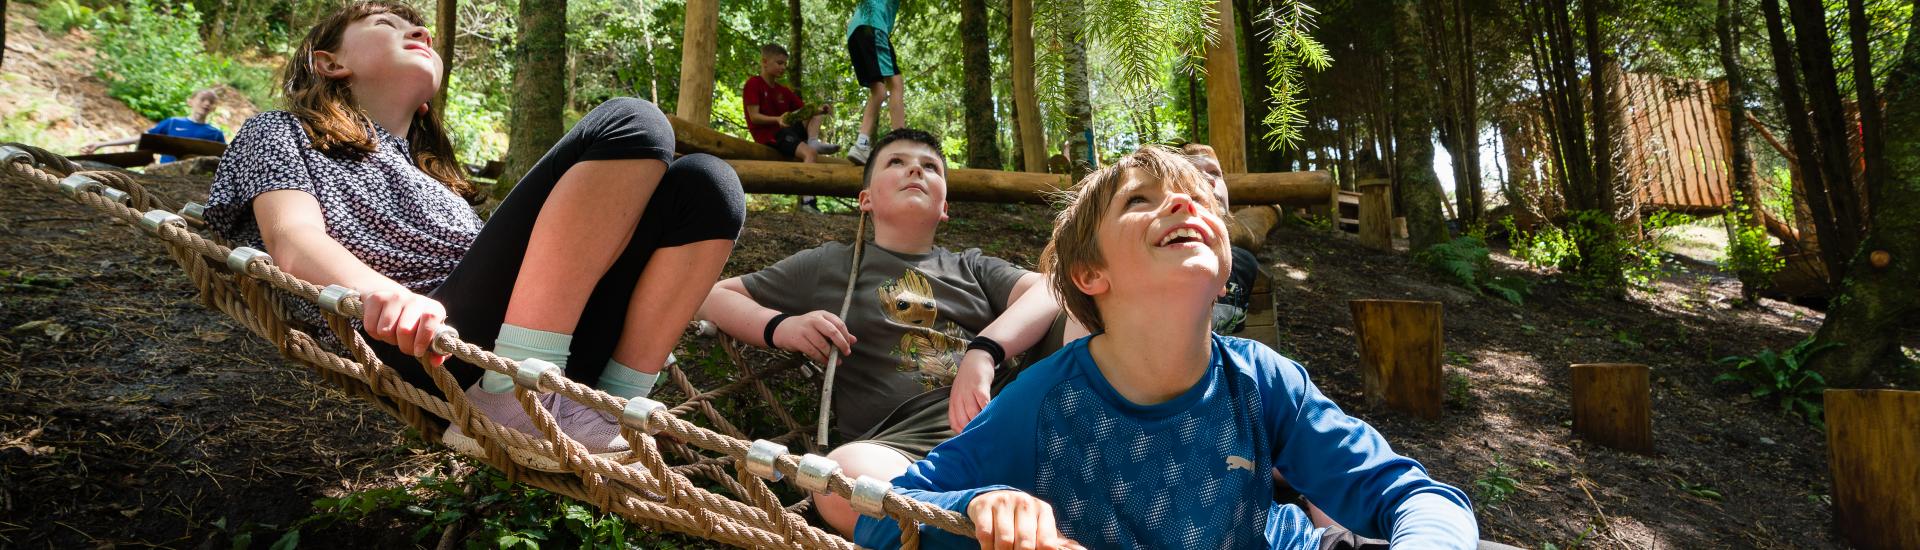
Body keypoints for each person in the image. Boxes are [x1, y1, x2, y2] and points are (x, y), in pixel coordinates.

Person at [855, 146, 1491, 550]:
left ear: (1221, 275)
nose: (1184, 201)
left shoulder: (1264, 382)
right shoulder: (1042, 404)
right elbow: (887, 516)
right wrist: (981, 507)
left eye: (1196, 196)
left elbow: (1411, 496)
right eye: (1140, 200)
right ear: (1089, 275)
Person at [204, 1, 745, 472]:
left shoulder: (434, 178)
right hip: (416, 339)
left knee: (709, 185)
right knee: (633, 122)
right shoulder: (280, 130)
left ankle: (612, 407)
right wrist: (378, 290)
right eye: (387, 23)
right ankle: (514, 399)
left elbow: (566, 266)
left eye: (423, 32)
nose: (419, 33)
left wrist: (767, 322)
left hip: (528, 337)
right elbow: (292, 238)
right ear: (331, 63)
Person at [696, 128, 1079, 537]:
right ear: (866, 200)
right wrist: (782, 326)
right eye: (896, 162)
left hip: (1003, 409)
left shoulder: (971, 266)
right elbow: (713, 295)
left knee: (1088, 307)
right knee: (839, 481)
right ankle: (969, 518)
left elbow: (1052, 288)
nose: (915, 167)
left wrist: (984, 351)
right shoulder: (831, 266)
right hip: (906, 450)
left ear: (944, 206)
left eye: (930, 166)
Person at [744, 43, 838, 212]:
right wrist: (777, 120)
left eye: (785, 64)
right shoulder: (753, 84)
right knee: (810, 154)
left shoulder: (783, 90)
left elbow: (805, 111)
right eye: (779, 63)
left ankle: (813, 141)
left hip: (786, 130)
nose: (783, 67)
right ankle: (807, 201)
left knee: (813, 111)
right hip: (770, 135)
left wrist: (822, 109)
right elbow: (754, 117)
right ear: (765, 62)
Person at [1178, 142, 1260, 334]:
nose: (1210, 180)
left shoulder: (1244, 265)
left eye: (1215, 172)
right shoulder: (1155, 261)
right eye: (1194, 174)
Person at [81, 88, 227, 163]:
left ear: (214, 107)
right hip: (165, 175)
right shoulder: (172, 123)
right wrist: (101, 144)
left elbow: (225, 162)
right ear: (191, 101)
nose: (207, 104)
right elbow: (142, 138)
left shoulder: (215, 134)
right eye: (203, 99)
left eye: (211, 102)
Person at [842, 0, 904, 165]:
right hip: (873, 24)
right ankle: (901, 141)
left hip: (856, 31)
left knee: (879, 91)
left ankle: (861, 144)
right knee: (896, 83)